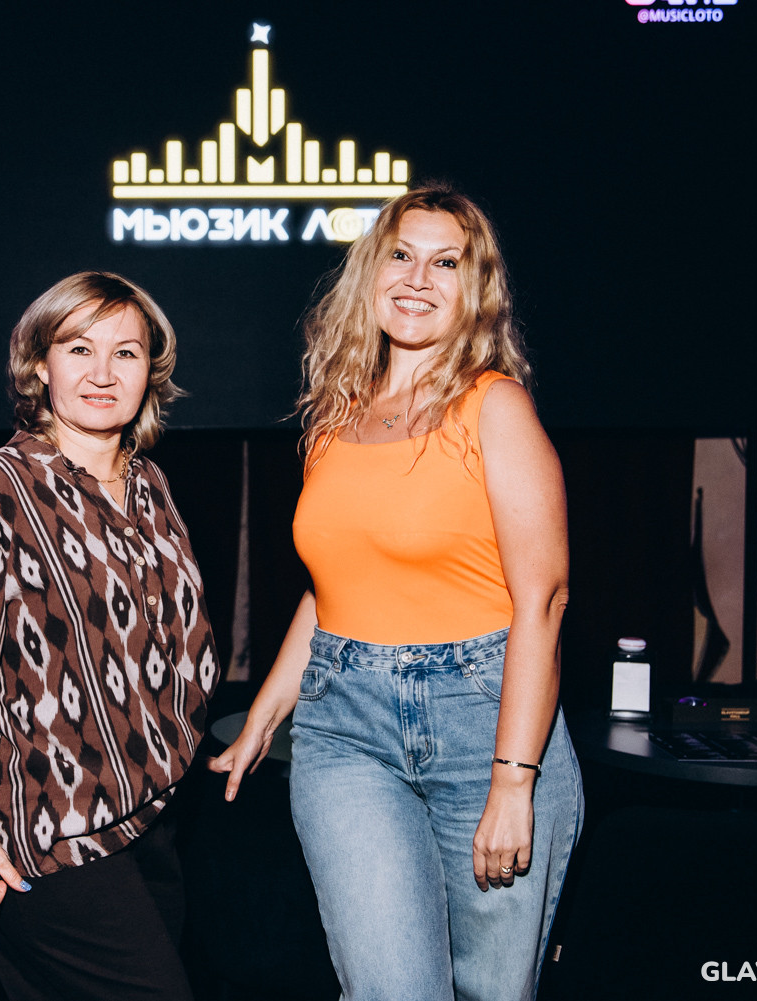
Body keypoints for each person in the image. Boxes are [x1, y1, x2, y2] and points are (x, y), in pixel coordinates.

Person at [211, 184, 583, 1001]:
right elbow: (334, 585)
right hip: (345, 725)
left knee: (491, 992)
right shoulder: (334, 416)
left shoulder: (495, 407)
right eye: (401, 255)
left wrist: (512, 781)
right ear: (370, 273)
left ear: (474, 288)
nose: (418, 278)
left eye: (445, 263)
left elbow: (544, 601)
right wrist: (267, 712)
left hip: (485, 716)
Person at [0, 271, 219, 1001]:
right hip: (45, 832)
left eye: (126, 352)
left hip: (151, 817)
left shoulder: (149, 486)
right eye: (79, 349)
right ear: (40, 366)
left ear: (150, 370)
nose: (103, 373)